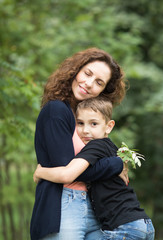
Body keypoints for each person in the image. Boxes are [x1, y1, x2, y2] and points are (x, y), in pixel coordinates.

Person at [30, 48, 128, 240]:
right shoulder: (57, 110)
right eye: (87, 73)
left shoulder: (85, 120)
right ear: (75, 70)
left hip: (95, 209)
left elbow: (101, 155)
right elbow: (69, 170)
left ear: (103, 91)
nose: (89, 83)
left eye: (99, 82)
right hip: (63, 206)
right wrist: (116, 164)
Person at [33, 97, 155, 240]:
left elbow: (70, 174)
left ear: (109, 126)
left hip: (123, 227)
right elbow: (95, 172)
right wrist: (117, 163)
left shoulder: (95, 145)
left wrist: (41, 172)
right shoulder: (111, 148)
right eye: (80, 123)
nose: (85, 130)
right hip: (141, 223)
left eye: (94, 124)